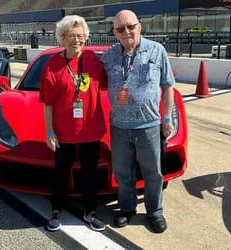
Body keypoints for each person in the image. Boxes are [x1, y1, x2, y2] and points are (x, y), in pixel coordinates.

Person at [101, 9, 175, 234]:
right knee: (123, 173)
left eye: (130, 26)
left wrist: (167, 117)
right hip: (119, 127)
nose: (127, 32)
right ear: (115, 33)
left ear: (139, 27)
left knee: (153, 173)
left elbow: (168, 85)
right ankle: (127, 209)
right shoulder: (109, 56)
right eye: (120, 29)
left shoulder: (157, 50)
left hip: (149, 126)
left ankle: (155, 212)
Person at [39, 15, 107, 232]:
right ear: (62, 38)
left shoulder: (94, 60)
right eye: (70, 36)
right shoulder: (53, 64)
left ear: (85, 38)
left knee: (90, 173)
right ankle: (56, 210)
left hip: (91, 129)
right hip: (64, 131)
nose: (76, 40)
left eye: (80, 36)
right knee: (61, 171)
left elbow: (112, 83)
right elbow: (47, 102)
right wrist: (49, 130)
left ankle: (90, 212)